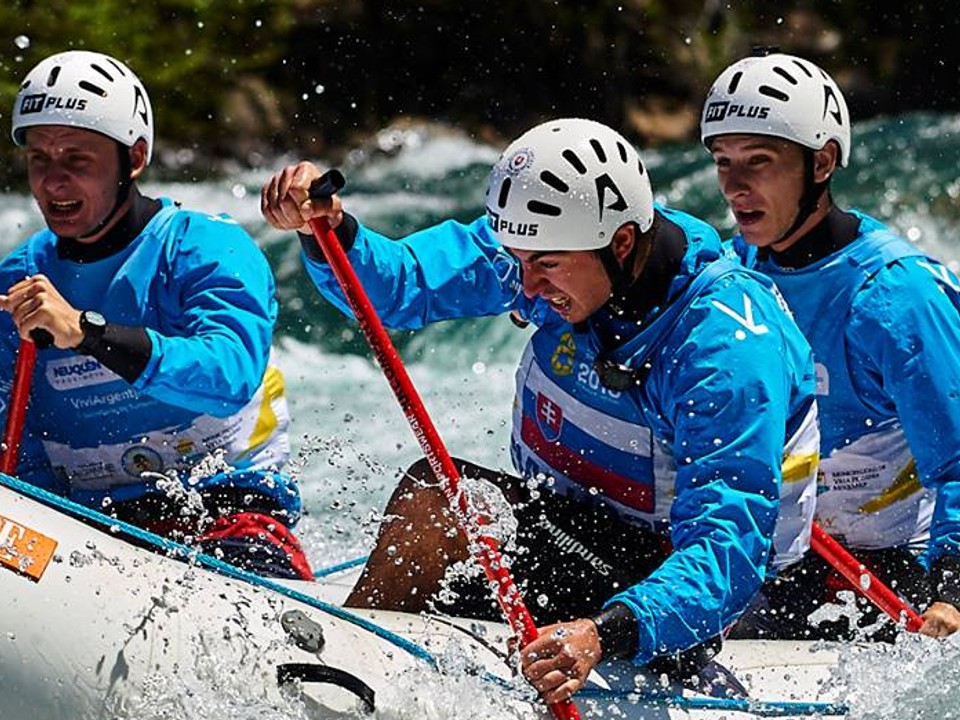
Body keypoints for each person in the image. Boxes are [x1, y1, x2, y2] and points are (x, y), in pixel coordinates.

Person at [262, 117, 821, 701]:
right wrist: (330, 230)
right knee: (446, 511)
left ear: (623, 243)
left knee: (439, 503)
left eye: (545, 266)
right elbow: (401, 285)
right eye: (518, 261)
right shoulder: (556, 242)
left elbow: (726, 546)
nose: (525, 288)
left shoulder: (723, 350)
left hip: (671, 594)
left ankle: (341, 685)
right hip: (577, 535)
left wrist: (602, 634)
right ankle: (356, 662)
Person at [0, 50, 312, 581]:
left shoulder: (207, 247)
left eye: (77, 160)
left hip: (227, 511)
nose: (53, 183)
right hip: (87, 527)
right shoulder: (15, 282)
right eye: (39, 159)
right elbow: (18, 450)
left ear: (135, 158)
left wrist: (86, 332)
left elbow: (229, 375)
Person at [700, 51, 960, 640]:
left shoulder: (897, 297)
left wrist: (953, 590)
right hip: (779, 556)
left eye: (758, 162)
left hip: (890, 574)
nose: (734, 187)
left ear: (821, 162)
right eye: (722, 162)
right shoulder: (733, 270)